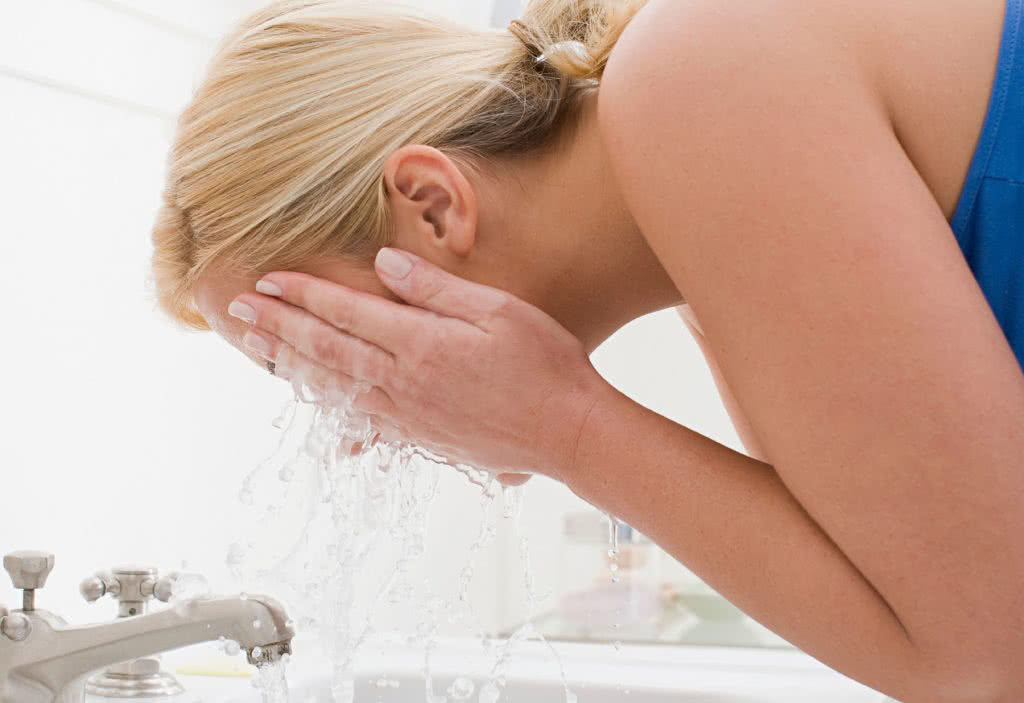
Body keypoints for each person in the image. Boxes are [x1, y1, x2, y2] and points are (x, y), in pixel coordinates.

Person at [151, 0, 1024, 699]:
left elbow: (989, 659)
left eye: (324, 352)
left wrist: (564, 424)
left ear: (433, 206)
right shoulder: (704, 261)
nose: (360, 425)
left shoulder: (703, 79)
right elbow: (917, 621)